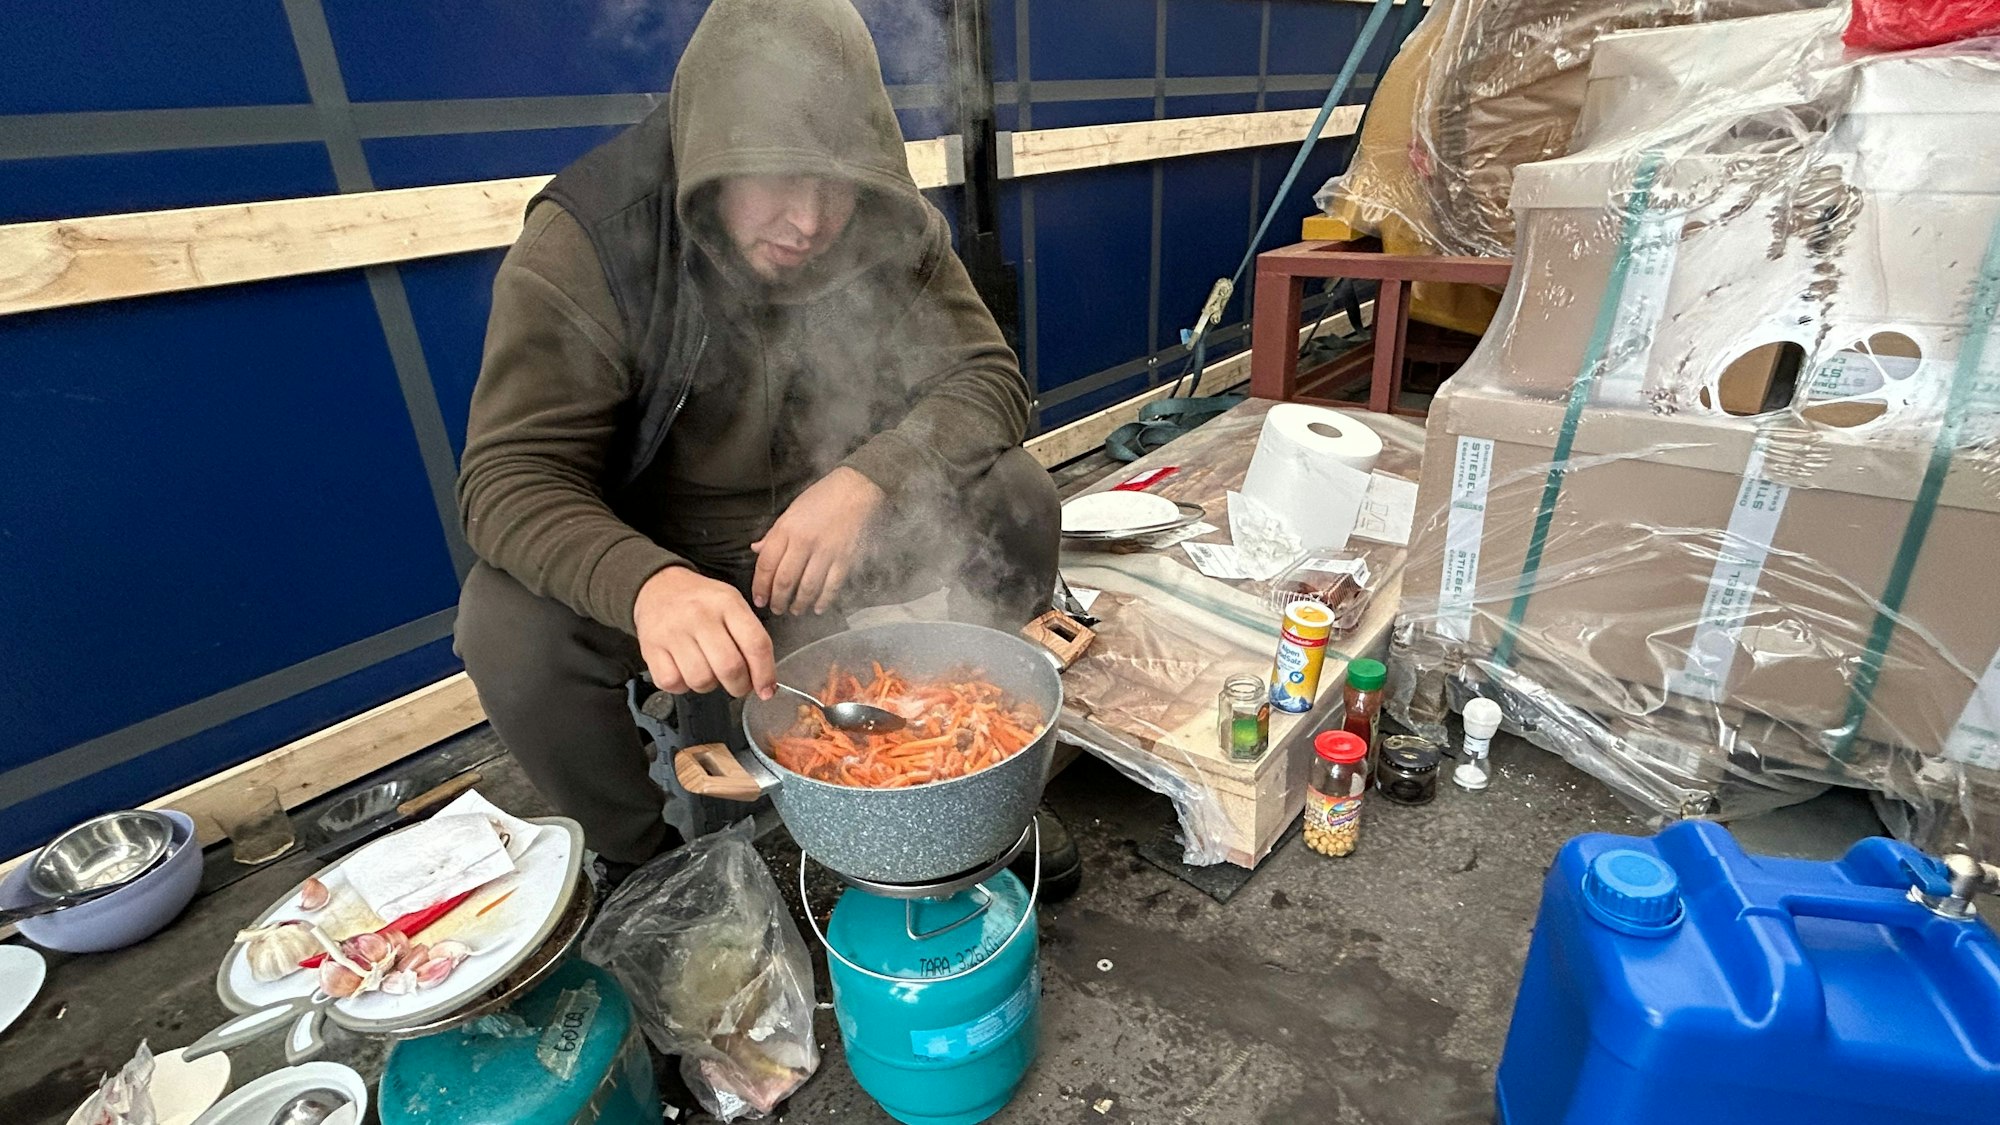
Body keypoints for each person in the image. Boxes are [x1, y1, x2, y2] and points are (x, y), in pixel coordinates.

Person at [453, 0, 1078, 893]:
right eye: (777, 178)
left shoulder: (887, 224)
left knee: (1016, 493)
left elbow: (990, 378)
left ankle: (982, 768)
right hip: (669, 553)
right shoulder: (590, 240)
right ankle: (649, 874)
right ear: (710, 151)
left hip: (835, 537)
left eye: (837, 184)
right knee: (508, 625)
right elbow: (508, 478)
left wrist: (873, 478)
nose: (810, 222)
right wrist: (648, 583)